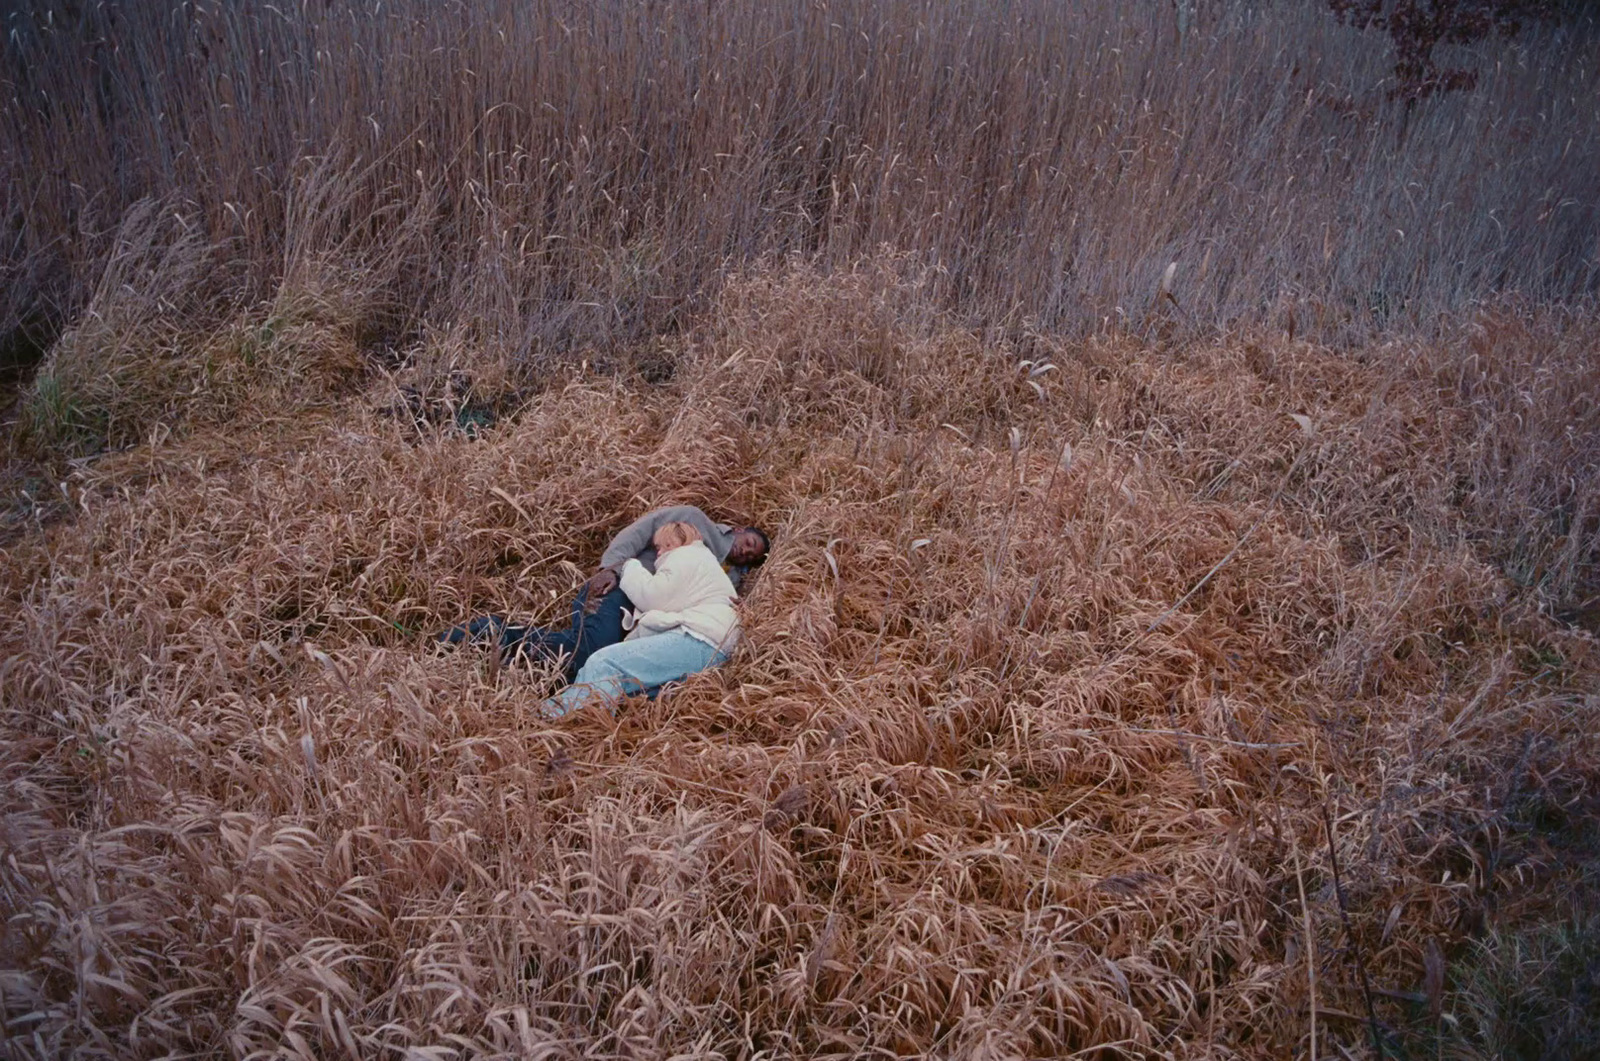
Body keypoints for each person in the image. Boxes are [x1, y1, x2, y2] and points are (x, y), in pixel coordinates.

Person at [436, 504, 769, 680]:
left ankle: (506, 663)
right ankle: (477, 635)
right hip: (620, 590)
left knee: (590, 664)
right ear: (738, 530)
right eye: (749, 543)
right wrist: (609, 568)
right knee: (586, 653)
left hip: (645, 616)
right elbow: (636, 533)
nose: (746, 552)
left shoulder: (728, 579)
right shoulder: (693, 521)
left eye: (752, 557)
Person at [541, 520, 739, 717]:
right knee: (630, 691)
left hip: (700, 640)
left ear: (674, 542)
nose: (659, 554)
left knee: (605, 663)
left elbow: (653, 597)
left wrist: (629, 566)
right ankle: (564, 716)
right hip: (712, 646)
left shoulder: (686, 555)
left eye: (661, 547)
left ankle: (553, 718)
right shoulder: (705, 564)